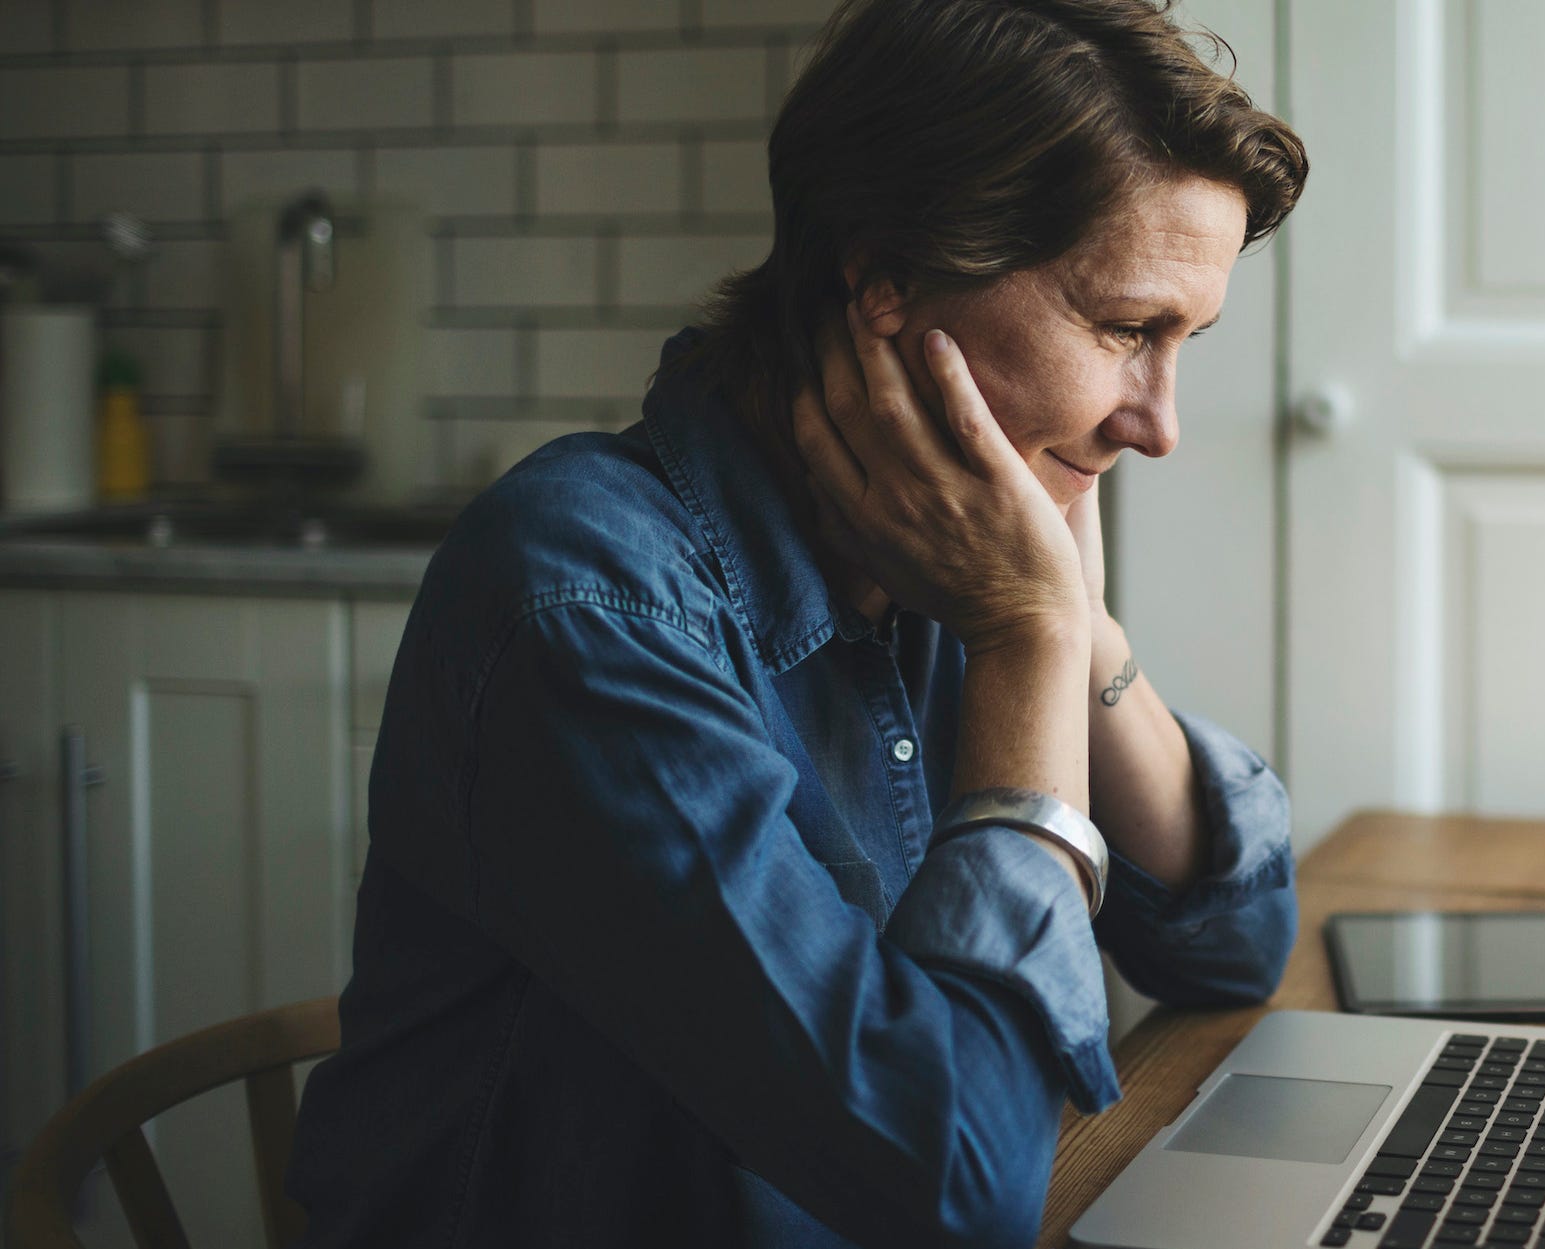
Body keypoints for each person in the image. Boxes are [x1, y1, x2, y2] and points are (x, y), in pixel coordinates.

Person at [284, 2, 1309, 1245]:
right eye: (1125, 328)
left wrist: (1079, 628)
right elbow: (962, 1184)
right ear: (886, 278)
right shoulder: (584, 599)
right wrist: (1028, 639)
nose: (1158, 424)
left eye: (1185, 341)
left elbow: (1234, 944)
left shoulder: (948, 560)